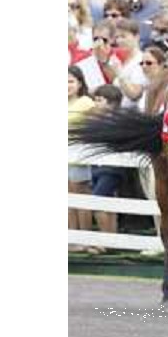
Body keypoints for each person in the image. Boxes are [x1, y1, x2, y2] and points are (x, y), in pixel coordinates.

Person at [89, 84, 125, 253]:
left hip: (112, 168)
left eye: (100, 100)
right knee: (107, 203)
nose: (96, 103)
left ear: (112, 103)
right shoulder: (96, 120)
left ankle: (106, 241)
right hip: (97, 166)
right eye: (95, 99)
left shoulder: (118, 121)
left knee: (97, 201)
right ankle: (111, 241)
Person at [68, 66, 95, 252]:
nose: (66, 85)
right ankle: (72, 239)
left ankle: (85, 239)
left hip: (78, 157)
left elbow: (98, 123)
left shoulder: (86, 102)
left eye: (70, 81)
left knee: (81, 199)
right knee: (67, 201)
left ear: (79, 83)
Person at [108, 18, 148, 110]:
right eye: (117, 37)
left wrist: (119, 73)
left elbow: (134, 94)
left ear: (136, 36)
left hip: (131, 115)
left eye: (123, 36)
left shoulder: (142, 60)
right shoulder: (121, 61)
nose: (119, 41)